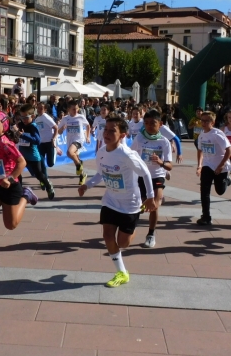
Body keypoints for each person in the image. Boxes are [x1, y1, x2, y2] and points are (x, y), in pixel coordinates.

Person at [78, 115, 156, 287]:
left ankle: (133, 226)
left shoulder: (127, 154)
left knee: (123, 243)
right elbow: (100, 173)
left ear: (122, 135)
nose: (106, 133)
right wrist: (87, 185)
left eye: (112, 130)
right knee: (107, 236)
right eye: (105, 129)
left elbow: (145, 173)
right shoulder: (101, 152)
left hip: (130, 204)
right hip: (110, 201)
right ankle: (121, 272)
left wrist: (150, 197)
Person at [0, 111, 38, 273]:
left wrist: (10, 179)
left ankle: (26, 195)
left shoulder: (5, 142)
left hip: (10, 186)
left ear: (3, 126)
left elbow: (21, 162)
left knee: (10, 225)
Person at [131, 109, 172, 248]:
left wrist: (161, 162)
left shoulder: (164, 142)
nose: (149, 126)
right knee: (142, 206)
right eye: (146, 123)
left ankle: (151, 234)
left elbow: (169, 166)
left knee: (154, 205)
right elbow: (131, 156)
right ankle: (131, 228)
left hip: (157, 175)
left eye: (152, 123)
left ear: (160, 124)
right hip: (142, 176)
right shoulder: (139, 138)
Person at [196, 110, 231, 225]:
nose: (204, 123)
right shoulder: (201, 135)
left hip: (221, 166)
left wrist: (221, 165)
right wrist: (199, 166)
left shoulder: (217, 134)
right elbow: (200, 151)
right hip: (207, 165)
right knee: (204, 191)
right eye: (202, 120)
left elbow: (229, 150)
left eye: (207, 121)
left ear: (213, 121)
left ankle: (226, 181)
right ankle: (206, 216)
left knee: (220, 191)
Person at [14, 104, 55, 199]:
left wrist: (23, 135)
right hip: (22, 155)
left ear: (32, 116)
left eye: (26, 117)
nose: (23, 120)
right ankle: (19, 193)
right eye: (22, 117)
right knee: (17, 173)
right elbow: (17, 137)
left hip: (33, 156)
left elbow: (37, 140)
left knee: (39, 175)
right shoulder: (20, 125)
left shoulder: (33, 126)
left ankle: (48, 186)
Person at [58, 99, 91, 186]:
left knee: (69, 152)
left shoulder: (81, 117)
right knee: (73, 156)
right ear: (68, 109)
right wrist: (62, 128)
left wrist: (88, 137)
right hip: (70, 140)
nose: (76, 111)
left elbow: (88, 125)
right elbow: (59, 132)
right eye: (73, 109)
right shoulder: (65, 119)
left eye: (77, 108)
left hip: (79, 139)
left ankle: (79, 164)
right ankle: (82, 174)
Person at [34, 102, 59, 180]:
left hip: (49, 142)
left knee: (50, 163)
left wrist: (53, 139)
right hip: (41, 143)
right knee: (41, 161)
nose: (39, 110)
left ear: (45, 109)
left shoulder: (46, 117)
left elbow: (56, 128)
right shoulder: (37, 119)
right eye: (38, 108)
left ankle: (55, 151)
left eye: (41, 108)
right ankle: (45, 179)